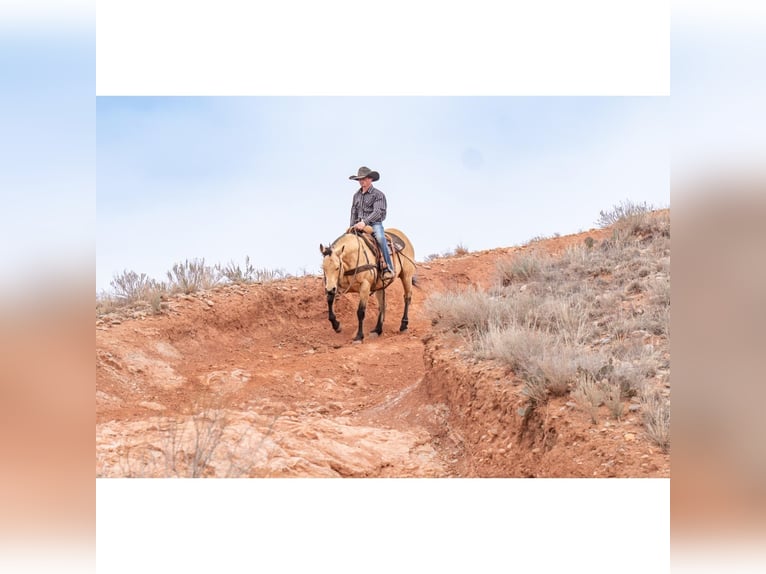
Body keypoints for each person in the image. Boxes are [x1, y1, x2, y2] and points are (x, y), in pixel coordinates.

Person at [348, 166, 394, 281]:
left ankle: (388, 268)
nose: (361, 181)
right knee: (347, 241)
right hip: (358, 225)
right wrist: (351, 227)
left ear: (370, 179)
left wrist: (365, 222)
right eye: (359, 179)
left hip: (374, 224)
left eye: (364, 178)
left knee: (380, 238)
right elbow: (353, 212)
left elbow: (378, 212)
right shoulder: (356, 196)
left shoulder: (378, 195)